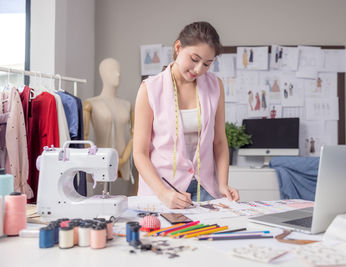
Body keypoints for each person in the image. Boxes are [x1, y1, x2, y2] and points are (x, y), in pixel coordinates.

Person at [133, 21, 240, 209]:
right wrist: (163, 193)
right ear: (177, 47)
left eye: (207, 64)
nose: (199, 70)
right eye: (194, 59)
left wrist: (223, 184)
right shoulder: (149, 89)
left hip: (204, 187)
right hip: (162, 188)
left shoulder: (215, 86)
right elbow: (140, 154)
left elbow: (220, 142)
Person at [83, 58, 135, 193]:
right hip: (99, 162)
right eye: (112, 71)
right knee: (99, 206)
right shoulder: (91, 104)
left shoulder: (127, 105)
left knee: (121, 203)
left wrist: (123, 160)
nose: (118, 74)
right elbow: (84, 136)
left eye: (119, 71)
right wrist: (96, 159)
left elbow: (135, 134)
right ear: (102, 74)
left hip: (121, 164)